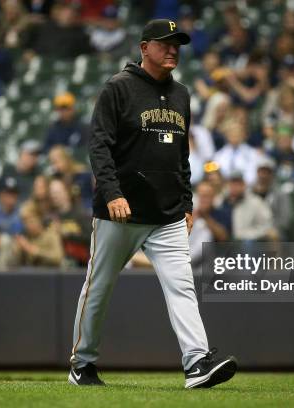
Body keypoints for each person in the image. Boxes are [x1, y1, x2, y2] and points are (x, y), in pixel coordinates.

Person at [68, 19, 237, 389]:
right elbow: (98, 146)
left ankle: (196, 363)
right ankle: (82, 364)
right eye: (165, 43)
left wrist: (187, 202)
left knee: (182, 285)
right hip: (121, 212)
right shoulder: (118, 88)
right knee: (98, 288)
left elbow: (181, 157)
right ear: (145, 48)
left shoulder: (182, 95)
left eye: (178, 43)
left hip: (167, 215)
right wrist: (112, 193)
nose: (173, 48)